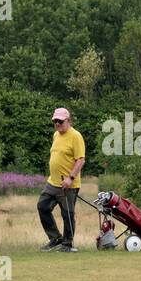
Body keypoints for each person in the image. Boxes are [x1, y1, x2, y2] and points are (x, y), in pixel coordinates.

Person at [38, 107, 86, 252]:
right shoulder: (56, 135)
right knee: (42, 206)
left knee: (67, 214)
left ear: (68, 121)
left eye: (60, 121)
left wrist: (70, 178)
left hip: (68, 184)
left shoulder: (75, 136)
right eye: (55, 121)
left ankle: (67, 243)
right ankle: (55, 238)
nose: (57, 124)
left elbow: (81, 160)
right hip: (53, 182)